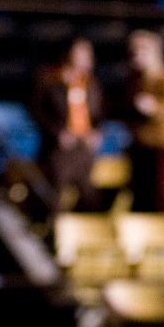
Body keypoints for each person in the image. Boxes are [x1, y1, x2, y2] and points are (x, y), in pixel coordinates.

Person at [30, 35, 103, 212]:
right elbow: (37, 112)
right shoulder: (48, 80)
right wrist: (57, 133)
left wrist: (96, 132)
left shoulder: (91, 83)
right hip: (58, 150)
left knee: (89, 197)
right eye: (82, 53)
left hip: (84, 149)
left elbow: (99, 114)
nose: (87, 57)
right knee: (54, 198)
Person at [123, 29, 164, 212]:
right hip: (138, 142)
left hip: (160, 143)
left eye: (142, 51)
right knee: (139, 195)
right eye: (134, 53)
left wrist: (154, 107)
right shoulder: (134, 79)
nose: (137, 57)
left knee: (158, 193)